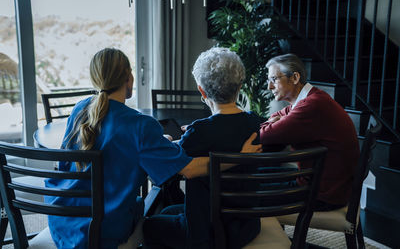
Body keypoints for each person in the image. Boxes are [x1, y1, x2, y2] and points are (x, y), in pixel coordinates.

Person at [44, 48, 261, 249]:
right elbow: (188, 169)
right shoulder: (140, 125)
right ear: (129, 78)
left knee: (156, 207)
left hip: (62, 218)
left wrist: (156, 142)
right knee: (147, 205)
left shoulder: (81, 108)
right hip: (102, 230)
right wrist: (240, 157)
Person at [143, 47, 265, 249]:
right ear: (240, 85)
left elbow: (171, 169)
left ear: (201, 90)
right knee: (169, 211)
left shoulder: (199, 132)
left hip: (207, 232)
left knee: (150, 226)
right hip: (246, 226)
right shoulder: (255, 123)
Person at [260, 53, 360, 210]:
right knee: (257, 175)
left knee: (248, 189)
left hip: (323, 193)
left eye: (274, 80)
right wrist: (272, 122)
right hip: (324, 184)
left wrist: (271, 124)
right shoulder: (311, 98)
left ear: (294, 78)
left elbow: (264, 135)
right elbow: (276, 116)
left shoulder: (312, 105)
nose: (269, 87)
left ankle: (257, 233)